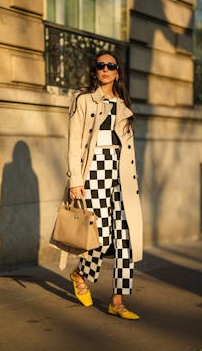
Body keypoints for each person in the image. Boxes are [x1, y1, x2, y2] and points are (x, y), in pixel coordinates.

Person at [67, 50, 143, 320]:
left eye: (111, 66)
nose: (106, 69)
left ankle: (117, 300)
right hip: (94, 172)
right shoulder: (84, 99)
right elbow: (75, 141)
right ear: (95, 71)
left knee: (126, 239)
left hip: (120, 174)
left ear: (118, 72)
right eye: (101, 66)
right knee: (102, 236)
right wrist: (75, 180)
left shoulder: (123, 104)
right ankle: (80, 274)